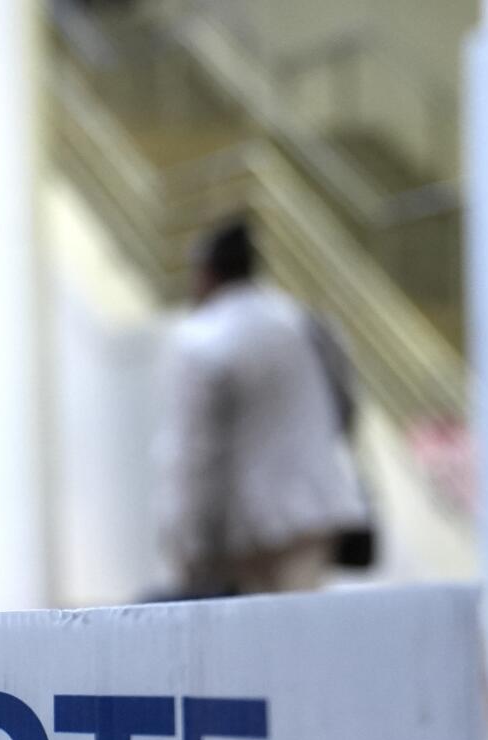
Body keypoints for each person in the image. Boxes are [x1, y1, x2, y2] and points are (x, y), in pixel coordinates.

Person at [154, 218, 370, 596]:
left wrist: (187, 542)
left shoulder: (201, 338)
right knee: (303, 634)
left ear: (207, 274)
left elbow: (196, 453)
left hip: (248, 530)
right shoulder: (302, 322)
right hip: (314, 516)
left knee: (252, 644)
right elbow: (346, 409)